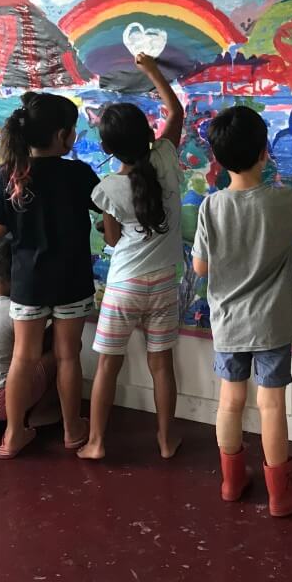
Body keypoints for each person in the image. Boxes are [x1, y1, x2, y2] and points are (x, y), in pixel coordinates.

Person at [191, 106, 292, 517]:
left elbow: (201, 266)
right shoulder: (281, 202)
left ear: (218, 158)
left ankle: (232, 482)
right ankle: (281, 494)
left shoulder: (211, 205)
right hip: (270, 324)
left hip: (228, 323)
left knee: (230, 401)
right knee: (271, 405)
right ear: (264, 154)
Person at [78, 54, 185, 461]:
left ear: (106, 147)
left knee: (108, 365)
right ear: (148, 135)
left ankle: (96, 442)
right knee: (162, 365)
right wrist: (151, 70)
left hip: (124, 285)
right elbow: (174, 111)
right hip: (163, 282)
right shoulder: (165, 158)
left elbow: (111, 237)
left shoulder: (107, 187)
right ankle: (164, 441)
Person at [0, 91, 99, 459]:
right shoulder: (79, 174)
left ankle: (13, 434)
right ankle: (71, 430)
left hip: (28, 283)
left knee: (23, 357)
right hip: (72, 280)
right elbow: (106, 207)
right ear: (61, 135)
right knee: (68, 356)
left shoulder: (9, 173)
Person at [0, 236, 58, 429]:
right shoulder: (14, 310)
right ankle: (39, 415)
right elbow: (37, 345)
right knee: (62, 354)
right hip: (2, 400)